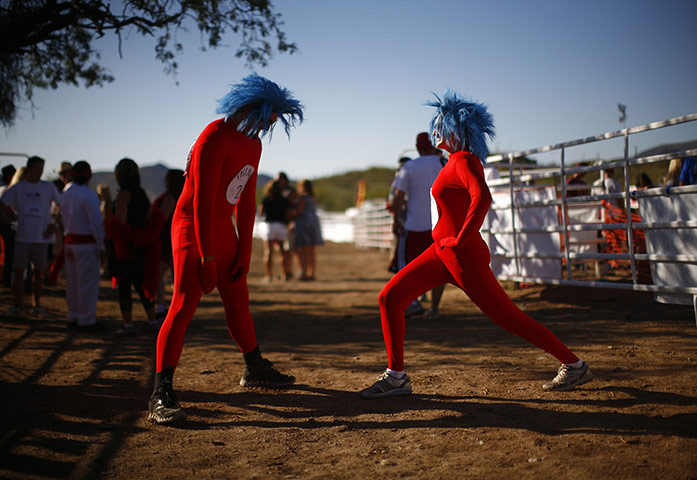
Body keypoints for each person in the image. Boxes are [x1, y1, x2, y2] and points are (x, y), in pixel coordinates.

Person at [360, 91, 592, 399]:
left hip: (460, 254)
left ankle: (574, 365)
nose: (436, 130)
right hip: (440, 253)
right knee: (390, 297)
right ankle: (396, 377)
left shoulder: (464, 160)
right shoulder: (452, 161)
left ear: (457, 128)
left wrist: (462, 238)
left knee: (510, 318)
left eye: (441, 123)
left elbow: (482, 197)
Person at [149, 74, 303, 424]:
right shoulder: (213, 137)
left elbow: (246, 203)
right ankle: (161, 390)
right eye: (267, 116)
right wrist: (206, 257)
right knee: (184, 301)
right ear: (249, 106)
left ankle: (254, 367)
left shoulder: (253, 144)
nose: (270, 124)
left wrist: (244, 251)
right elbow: (202, 203)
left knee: (238, 299)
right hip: (192, 227)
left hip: (223, 230)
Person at [104, 158, 163, 336]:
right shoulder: (141, 194)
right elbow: (150, 217)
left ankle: (128, 325)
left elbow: (119, 221)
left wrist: (107, 205)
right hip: (140, 245)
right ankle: (152, 320)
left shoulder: (124, 194)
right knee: (141, 283)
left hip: (125, 246)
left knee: (124, 285)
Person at [392, 132, 446, 321]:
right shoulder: (443, 163)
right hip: (440, 226)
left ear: (417, 147)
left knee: (407, 267)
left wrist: (397, 220)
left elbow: (398, 196)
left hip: (414, 225)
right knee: (440, 270)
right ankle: (435, 308)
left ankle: (413, 303)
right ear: (434, 146)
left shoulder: (409, 166)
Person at [1, 156, 61, 318]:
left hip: (41, 237)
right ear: (29, 169)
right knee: (19, 271)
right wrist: (10, 216)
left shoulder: (47, 187)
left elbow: (60, 204)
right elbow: (3, 202)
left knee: (38, 272)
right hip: (23, 235)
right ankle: (18, 304)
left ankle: (37, 304)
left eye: (41, 168)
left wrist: (53, 224)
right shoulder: (19, 188)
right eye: (36, 168)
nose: (39, 172)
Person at [60, 161, 105, 328]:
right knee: (87, 283)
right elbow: (96, 223)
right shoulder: (88, 195)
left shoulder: (66, 192)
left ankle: (74, 315)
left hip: (70, 242)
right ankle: (86, 319)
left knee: (72, 283)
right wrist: (102, 246)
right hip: (86, 244)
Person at [153, 169, 185, 321]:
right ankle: (176, 307)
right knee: (176, 276)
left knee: (159, 273)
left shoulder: (170, 197)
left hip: (167, 238)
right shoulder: (184, 195)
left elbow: (162, 218)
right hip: (177, 237)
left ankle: (162, 306)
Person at [258, 179, 293, 282]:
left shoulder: (266, 199)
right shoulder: (284, 200)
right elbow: (288, 214)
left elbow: (260, 213)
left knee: (268, 251)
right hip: (281, 225)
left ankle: (269, 276)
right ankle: (284, 275)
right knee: (282, 252)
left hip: (269, 225)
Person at [291, 179, 323, 280]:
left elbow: (299, 210)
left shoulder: (303, 197)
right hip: (313, 222)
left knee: (303, 249)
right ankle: (311, 273)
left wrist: (292, 216)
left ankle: (303, 272)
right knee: (311, 251)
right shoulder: (312, 197)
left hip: (305, 223)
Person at [386, 157, 410, 273]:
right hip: (402, 219)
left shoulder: (411, 179)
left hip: (411, 220)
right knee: (398, 245)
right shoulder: (396, 182)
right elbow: (392, 200)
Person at [0, 164, 17, 287]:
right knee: (8, 253)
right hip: (6, 226)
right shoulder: (7, 190)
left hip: (4, 224)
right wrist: (9, 218)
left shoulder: (3, 189)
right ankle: (6, 279)